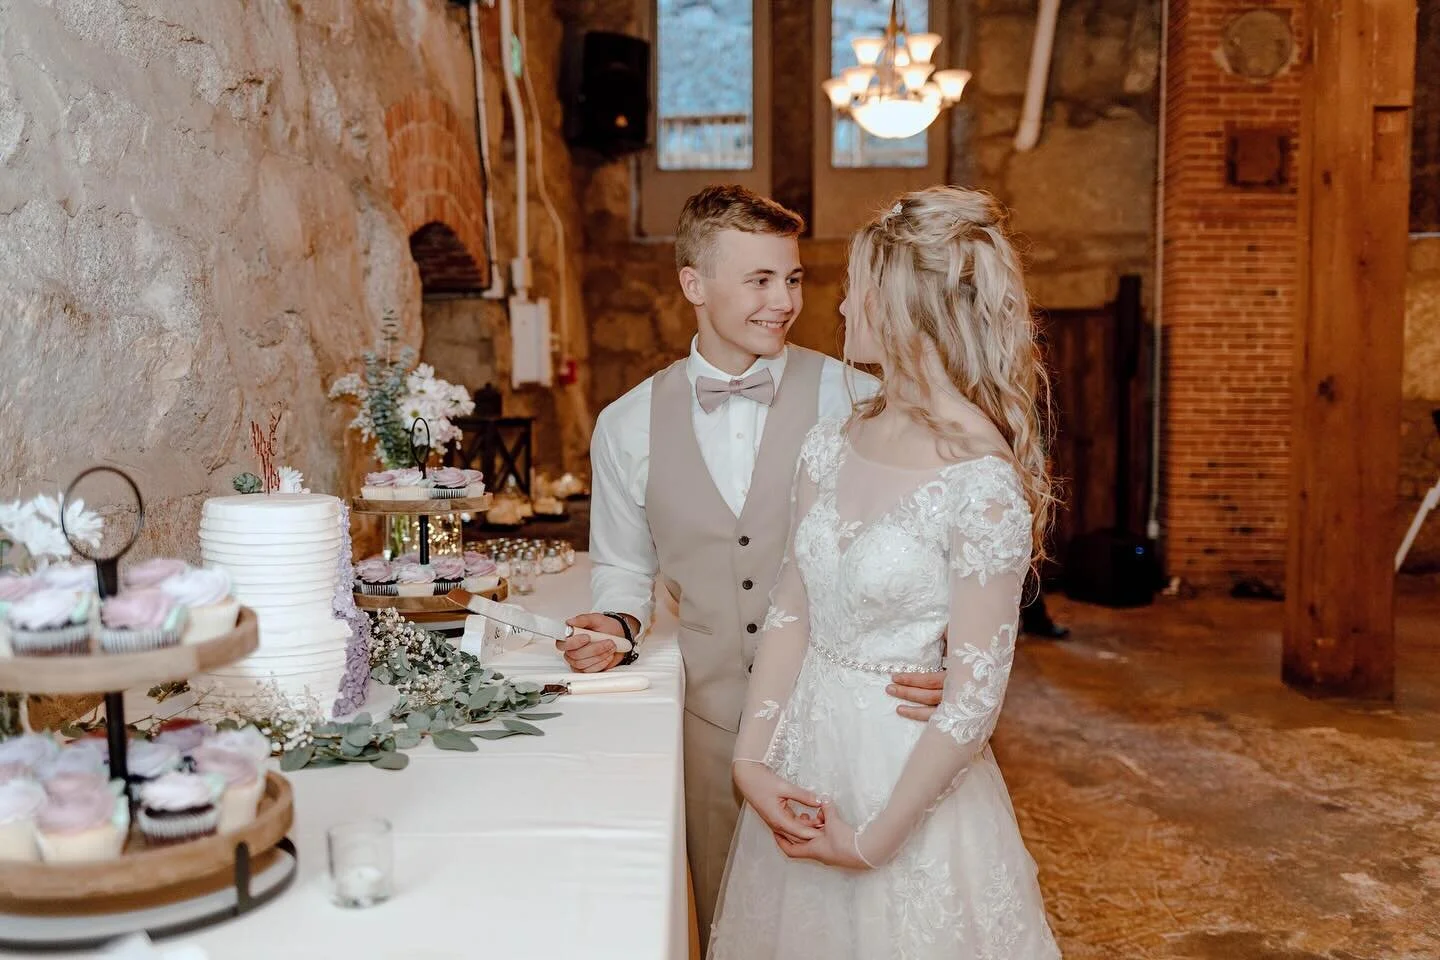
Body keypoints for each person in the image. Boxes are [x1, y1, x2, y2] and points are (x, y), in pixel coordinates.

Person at [560, 185, 945, 949]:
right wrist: (614, 620)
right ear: (693, 285)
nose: (784, 301)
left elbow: (929, 546)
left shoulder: (858, 397)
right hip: (709, 729)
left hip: (841, 723)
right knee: (724, 927)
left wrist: (940, 656)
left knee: (844, 928)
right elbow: (622, 567)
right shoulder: (625, 424)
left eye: (793, 279)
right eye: (760, 280)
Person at [708, 187, 1062, 958]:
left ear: (907, 306)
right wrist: (752, 761)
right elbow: (792, 611)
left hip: (902, 780)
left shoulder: (980, 476)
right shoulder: (833, 442)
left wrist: (873, 841)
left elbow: (972, 697)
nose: (839, 310)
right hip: (805, 760)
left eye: (857, 291)